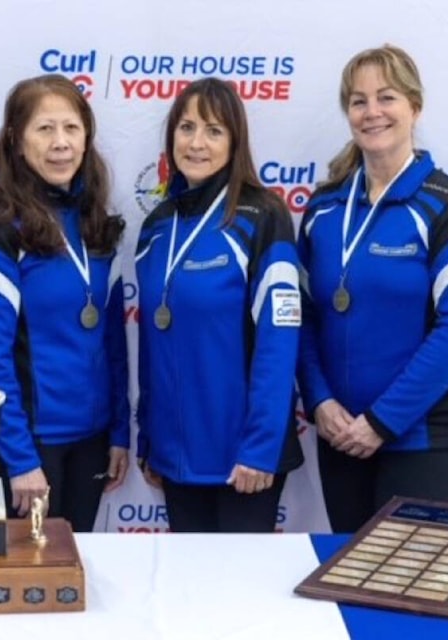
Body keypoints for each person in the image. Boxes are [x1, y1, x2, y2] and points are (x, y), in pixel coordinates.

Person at [296, 45, 448, 533]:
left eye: (386, 97)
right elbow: (299, 317)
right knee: (352, 583)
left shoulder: (446, 205)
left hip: (427, 436)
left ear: (414, 107)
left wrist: (382, 421)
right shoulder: (323, 208)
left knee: (407, 589)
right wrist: (320, 401)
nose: (372, 112)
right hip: (342, 434)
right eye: (358, 101)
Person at [134, 78, 304, 533]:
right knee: (188, 593)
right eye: (186, 127)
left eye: (213, 130)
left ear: (235, 141)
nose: (196, 143)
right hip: (175, 456)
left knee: (239, 598)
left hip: (243, 460)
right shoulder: (155, 227)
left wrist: (261, 448)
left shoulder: (263, 216)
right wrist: (148, 437)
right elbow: (152, 345)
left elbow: (279, 341)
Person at [0, 74, 130, 532]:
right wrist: (18, 459)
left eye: (72, 129)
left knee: (77, 576)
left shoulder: (96, 224)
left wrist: (119, 433)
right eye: (45, 129)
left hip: (92, 442)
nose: (61, 144)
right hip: (29, 448)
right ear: (16, 141)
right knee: (29, 591)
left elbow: (113, 343)